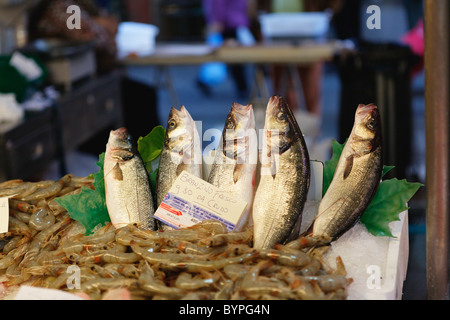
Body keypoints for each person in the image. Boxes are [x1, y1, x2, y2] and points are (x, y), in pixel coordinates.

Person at [198, 0, 254, 98]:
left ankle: (203, 81)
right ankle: (242, 88)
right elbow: (218, 3)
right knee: (234, 58)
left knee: (229, 57)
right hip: (229, 23)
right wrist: (218, 20)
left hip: (233, 22)